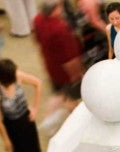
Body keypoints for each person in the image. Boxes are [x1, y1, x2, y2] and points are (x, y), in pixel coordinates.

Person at [34, 0, 84, 137]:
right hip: (64, 72)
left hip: (50, 65)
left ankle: (49, 121)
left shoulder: (38, 19)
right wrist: (76, 74)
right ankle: (80, 124)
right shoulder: (59, 28)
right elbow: (70, 59)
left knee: (58, 94)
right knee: (71, 98)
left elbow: (37, 40)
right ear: (55, 9)